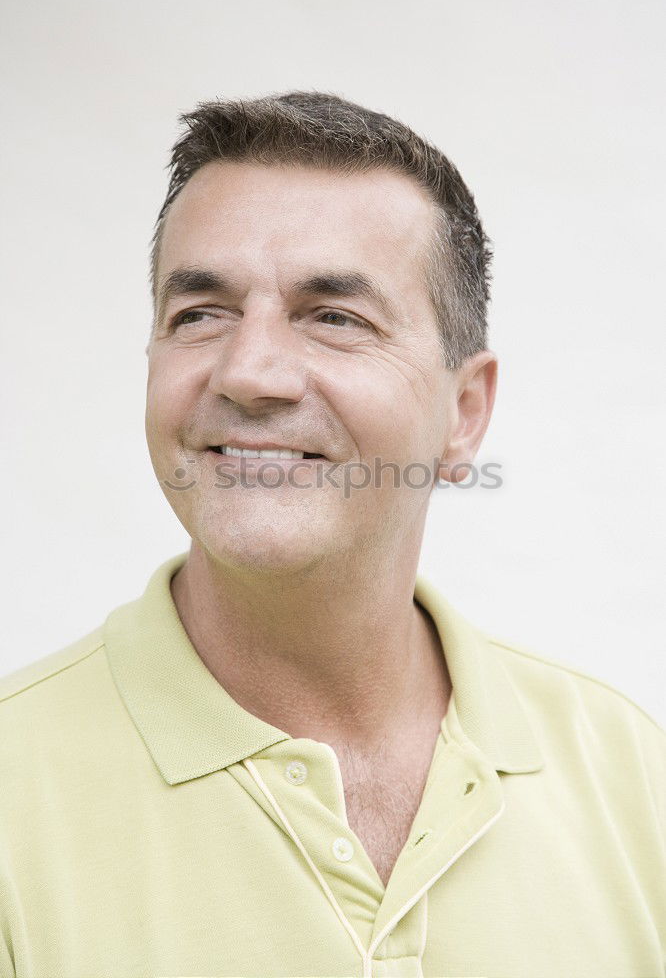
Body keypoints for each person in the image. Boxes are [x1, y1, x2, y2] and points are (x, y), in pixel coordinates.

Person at [0, 91, 663, 978]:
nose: (251, 372)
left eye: (334, 317)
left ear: (463, 414)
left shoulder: (633, 777)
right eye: (201, 313)